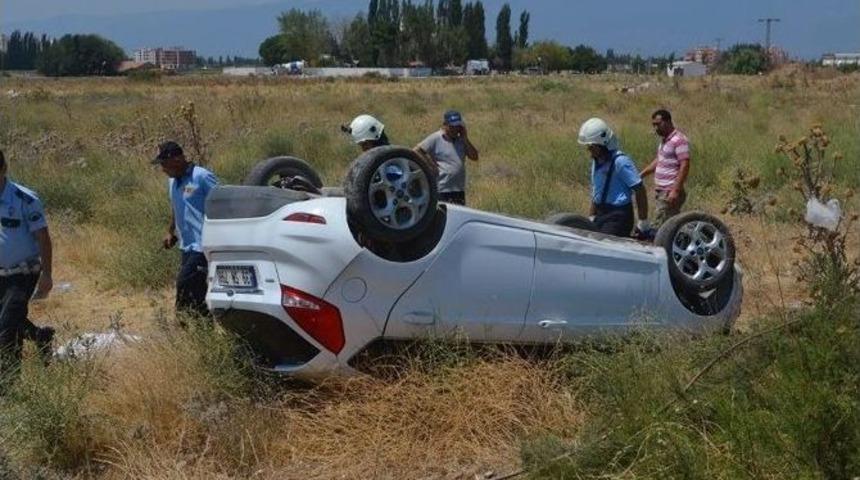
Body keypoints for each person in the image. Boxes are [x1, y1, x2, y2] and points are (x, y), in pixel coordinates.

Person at [0, 149, 55, 375]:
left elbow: (43, 237)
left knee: (6, 328)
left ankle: (9, 384)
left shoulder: (24, 198)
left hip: (23, 272)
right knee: (9, 319)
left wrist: (47, 274)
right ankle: (41, 337)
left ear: (3, 169)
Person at [152, 141, 219, 320]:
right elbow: (176, 206)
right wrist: (170, 231)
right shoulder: (172, 182)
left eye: (164, 164)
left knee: (184, 283)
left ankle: (182, 326)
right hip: (187, 245)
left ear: (178, 159)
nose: (163, 169)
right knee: (196, 290)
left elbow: (221, 203)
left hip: (204, 243)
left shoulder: (202, 176)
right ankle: (203, 328)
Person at [577, 118, 650, 237]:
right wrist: (591, 217)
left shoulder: (621, 161)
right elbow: (597, 192)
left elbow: (640, 190)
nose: (589, 151)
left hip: (619, 216)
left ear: (603, 143)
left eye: (592, 147)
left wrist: (643, 221)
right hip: (601, 213)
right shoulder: (596, 162)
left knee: (603, 248)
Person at [415, 110, 479, 206]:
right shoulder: (436, 138)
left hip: (458, 190)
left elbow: (474, 157)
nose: (455, 129)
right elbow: (417, 151)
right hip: (442, 189)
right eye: (452, 126)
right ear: (445, 124)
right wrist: (431, 165)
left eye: (457, 126)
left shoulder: (461, 140)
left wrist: (465, 138)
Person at [639, 109, 691, 226]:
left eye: (658, 124)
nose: (656, 128)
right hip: (661, 191)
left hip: (669, 191)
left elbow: (685, 164)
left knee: (659, 227)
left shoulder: (679, 140)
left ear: (668, 122)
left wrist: (675, 190)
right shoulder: (665, 141)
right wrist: (641, 175)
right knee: (669, 226)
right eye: (654, 125)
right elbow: (659, 160)